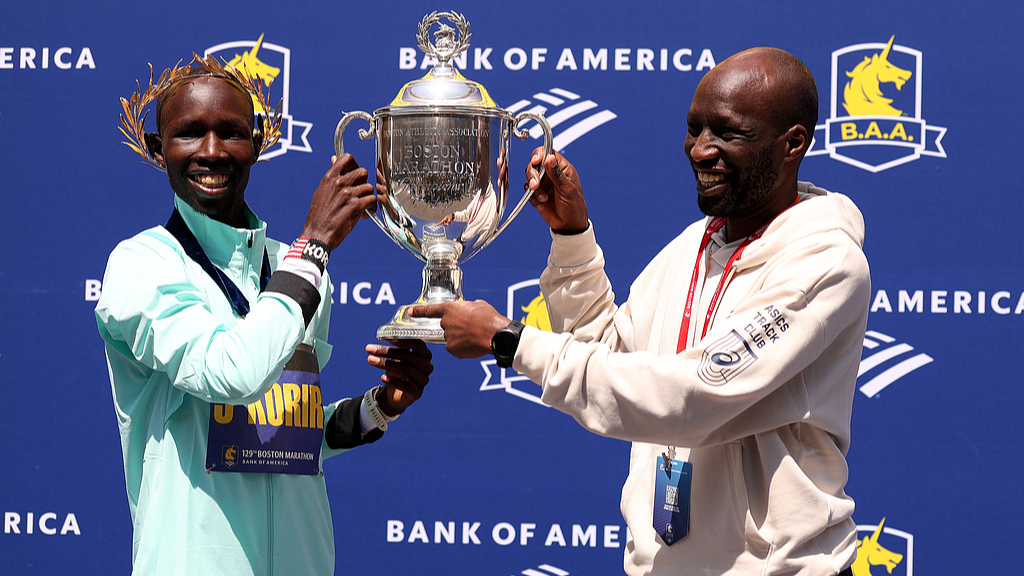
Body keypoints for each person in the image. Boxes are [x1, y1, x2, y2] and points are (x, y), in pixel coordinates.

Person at [411, 47, 869, 576]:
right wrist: (572, 236)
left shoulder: (827, 264)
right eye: (694, 129)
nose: (700, 150)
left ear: (792, 144)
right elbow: (607, 354)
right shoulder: (694, 245)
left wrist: (511, 341)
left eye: (727, 132)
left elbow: (691, 397)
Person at [96, 55, 433, 576]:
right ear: (157, 148)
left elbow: (283, 430)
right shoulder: (141, 264)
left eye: (230, 132)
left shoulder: (289, 265)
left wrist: (378, 407)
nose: (211, 151)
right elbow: (233, 374)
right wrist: (316, 245)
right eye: (190, 133)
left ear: (259, 140)